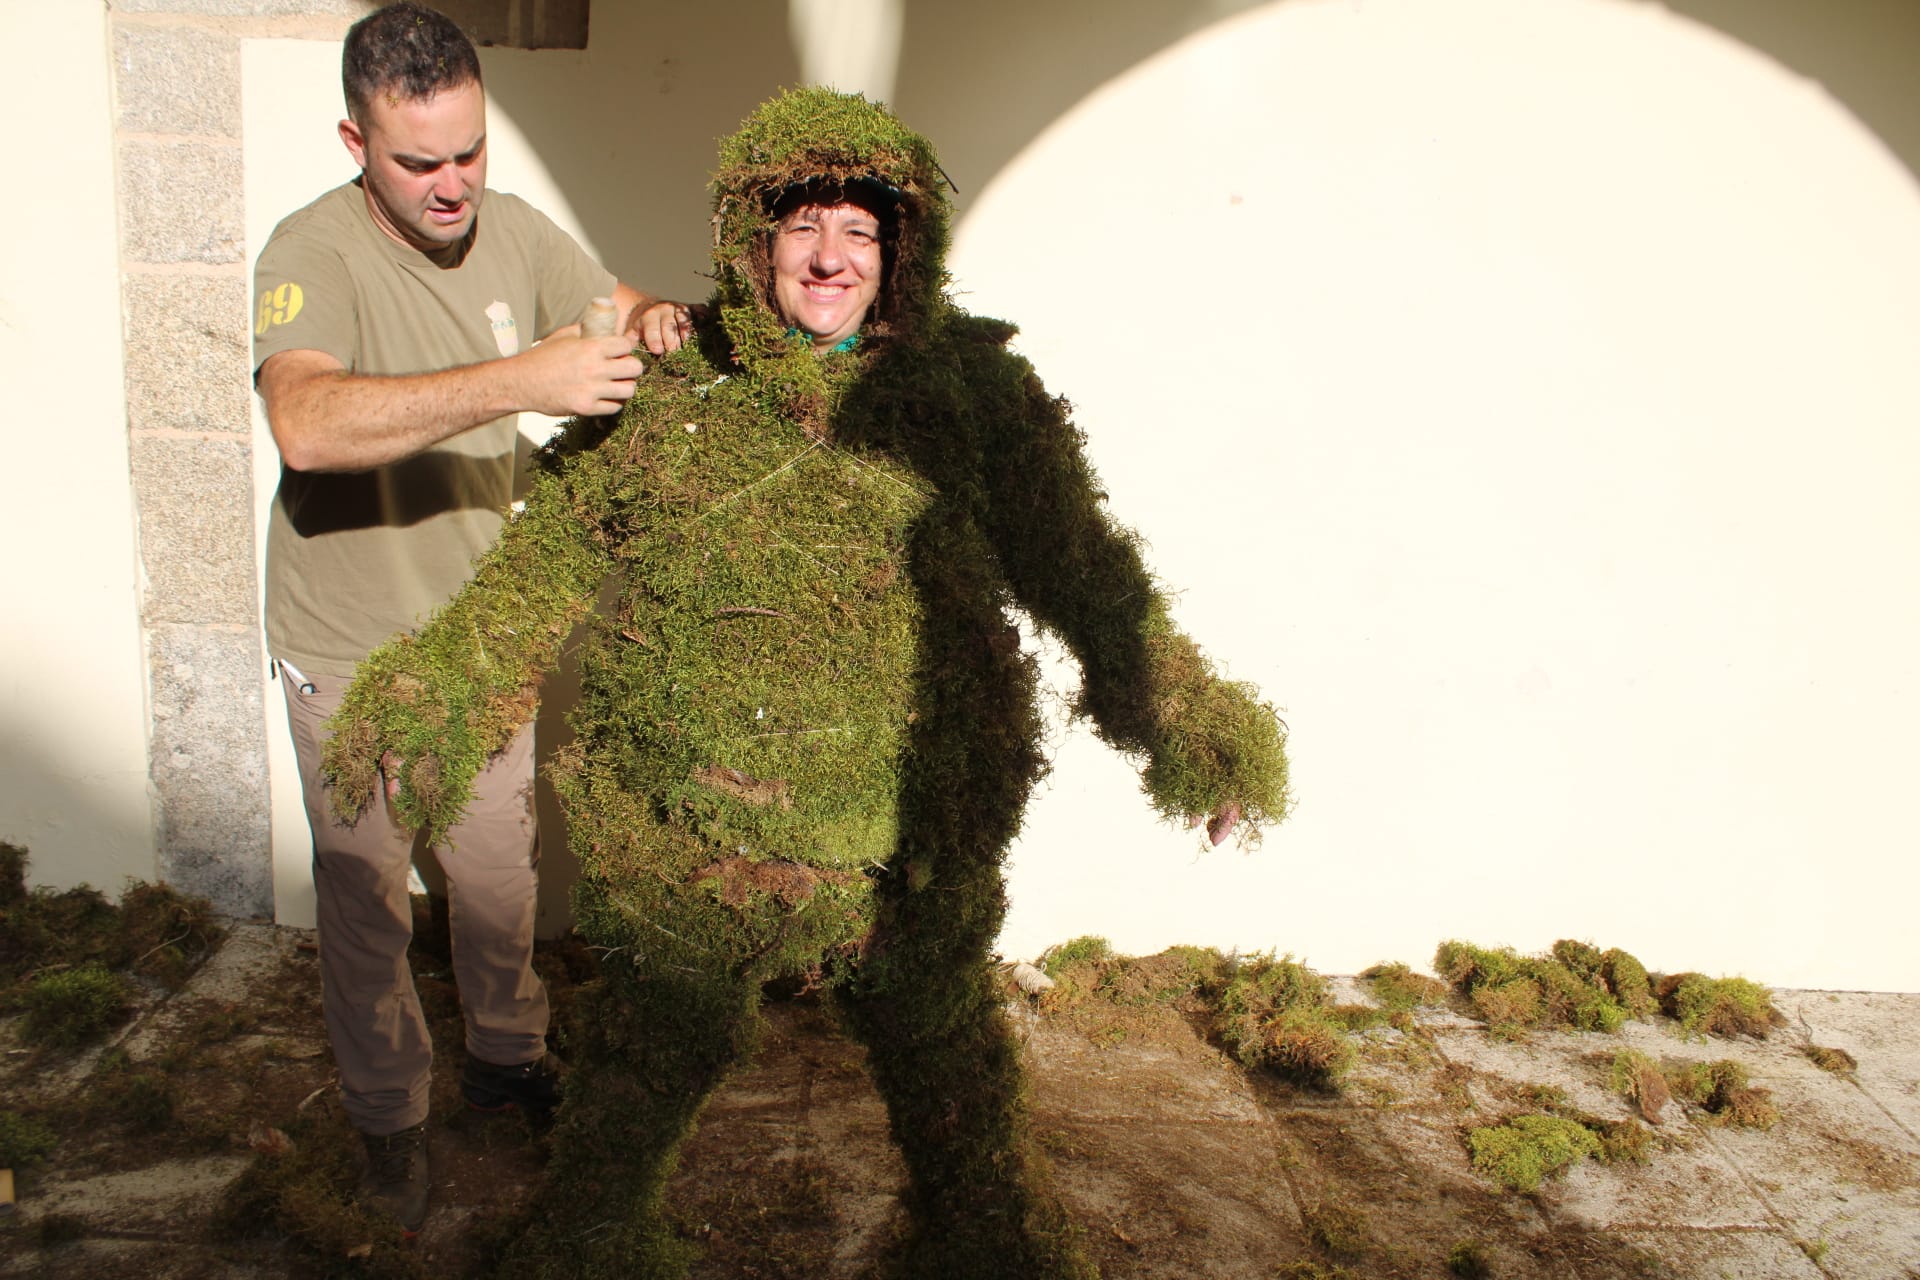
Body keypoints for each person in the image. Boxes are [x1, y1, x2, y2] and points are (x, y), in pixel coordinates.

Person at [324, 88, 1290, 1277]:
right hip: (695, 845)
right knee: (640, 1070)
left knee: (949, 1078)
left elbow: (1085, 575)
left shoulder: (973, 401)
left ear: (901, 250)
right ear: (754, 239)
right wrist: (439, 688)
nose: (830, 258)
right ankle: (590, 1244)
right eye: (802, 226)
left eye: (860, 231)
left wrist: (1189, 719)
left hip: (908, 848)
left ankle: (980, 1246)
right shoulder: (674, 393)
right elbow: (546, 563)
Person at [249, 2, 694, 1235]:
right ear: (357, 142)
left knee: (499, 880)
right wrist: (520, 381)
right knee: (367, 906)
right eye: (418, 162)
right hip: (347, 647)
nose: (453, 186)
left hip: (483, 640)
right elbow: (306, 424)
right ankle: (389, 1121)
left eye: (471, 151)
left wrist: (653, 319)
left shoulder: (514, 229)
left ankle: (507, 1060)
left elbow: (617, 304)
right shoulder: (311, 253)